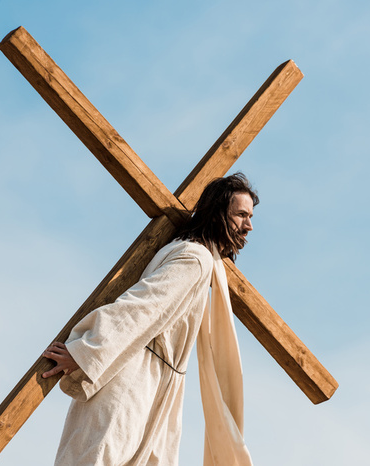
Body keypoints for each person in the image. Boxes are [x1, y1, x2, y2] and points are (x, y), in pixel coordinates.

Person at [42, 173, 258, 466]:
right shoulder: (194, 258)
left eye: (250, 216)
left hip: (156, 383)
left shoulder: (196, 257)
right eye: (241, 215)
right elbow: (142, 307)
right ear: (219, 214)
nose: (249, 226)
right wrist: (86, 352)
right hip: (131, 380)